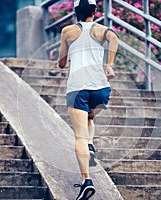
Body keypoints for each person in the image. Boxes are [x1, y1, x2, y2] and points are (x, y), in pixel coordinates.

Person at [57, 0, 118, 199]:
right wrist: (109, 65)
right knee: (90, 117)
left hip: (78, 88)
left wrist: (63, 57)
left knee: (79, 136)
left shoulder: (67, 31)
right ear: (94, 10)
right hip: (101, 89)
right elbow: (114, 38)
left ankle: (86, 181)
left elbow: (61, 63)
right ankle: (90, 145)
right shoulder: (102, 30)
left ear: (75, 12)